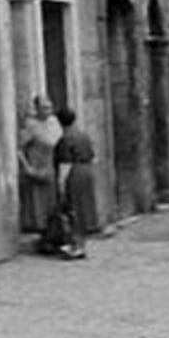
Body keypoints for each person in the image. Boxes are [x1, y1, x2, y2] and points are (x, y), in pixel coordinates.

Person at [53, 107, 98, 259]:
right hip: (87, 170)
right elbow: (92, 155)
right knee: (83, 208)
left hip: (75, 171)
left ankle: (75, 244)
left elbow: (65, 162)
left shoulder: (66, 139)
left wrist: (61, 183)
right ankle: (81, 244)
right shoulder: (84, 135)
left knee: (72, 208)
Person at [17, 95, 61, 233]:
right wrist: (27, 167)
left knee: (51, 199)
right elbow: (19, 148)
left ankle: (52, 228)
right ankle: (38, 229)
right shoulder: (31, 124)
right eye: (44, 108)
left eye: (49, 107)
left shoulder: (54, 121)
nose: (47, 111)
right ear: (36, 109)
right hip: (37, 164)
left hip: (52, 164)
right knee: (37, 200)